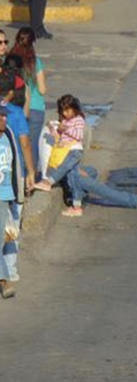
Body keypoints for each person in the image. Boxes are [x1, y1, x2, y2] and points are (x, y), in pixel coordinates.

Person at [10, 28, 45, 179]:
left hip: (15, 107)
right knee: (32, 145)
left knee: (17, 144)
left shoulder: (10, 61)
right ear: (33, 43)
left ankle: (18, 178)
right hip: (36, 108)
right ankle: (31, 179)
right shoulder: (36, 62)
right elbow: (43, 90)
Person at [32, 94, 85, 192]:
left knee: (64, 168)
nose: (65, 114)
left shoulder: (78, 120)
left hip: (74, 150)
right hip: (63, 150)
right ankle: (76, 201)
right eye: (63, 111)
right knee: (71, 174)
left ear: (74, 109)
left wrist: (65, 129)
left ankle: (48, 182)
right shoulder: (65, 120)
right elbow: (59, 136)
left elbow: (79, 135)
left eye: (67, 111)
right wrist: (53, 129)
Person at [0, 107, 26, 299]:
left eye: (3, 115)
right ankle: (3, 280)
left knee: (4, 238)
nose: (3, 118)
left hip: (6, 194)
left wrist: (19, 194)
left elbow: (16, 162)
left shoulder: (8, 133)